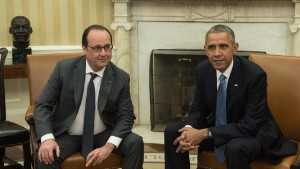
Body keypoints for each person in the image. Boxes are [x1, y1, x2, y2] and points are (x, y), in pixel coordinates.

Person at [164, 24, 298, 169]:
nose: (217, 53)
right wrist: (189, 130)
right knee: (174, 133)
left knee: (235, 147)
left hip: (254, 133)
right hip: (220, 129)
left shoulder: (254, 75)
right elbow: (198, 109)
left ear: (235, 47)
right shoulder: (203, 70)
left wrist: (205, 133)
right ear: (205, 50)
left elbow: (250, 125)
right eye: (211, 47)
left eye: (223, 46)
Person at [34, 24, 144, 169]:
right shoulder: (64, 69)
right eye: (97, 48)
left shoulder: (120, 78)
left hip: (103, 133)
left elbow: (126, 116)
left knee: (135, 142)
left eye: (108, 47)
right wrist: (47, 139)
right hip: (68, 134)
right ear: (84, 48)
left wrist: (108, 147)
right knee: (45, 158)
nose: (104, 53)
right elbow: (43, 105)